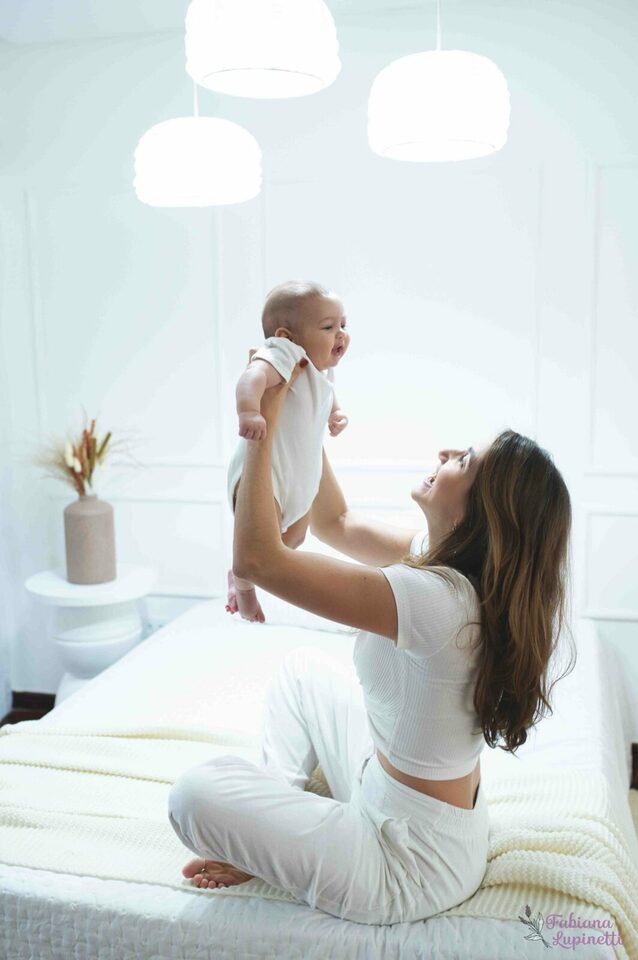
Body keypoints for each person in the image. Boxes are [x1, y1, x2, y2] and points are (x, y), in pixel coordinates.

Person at [168, 363, 576, 925]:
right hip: (391, 796)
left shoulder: (441, 602)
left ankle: (268, 833)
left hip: (405, 865)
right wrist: (304, 401)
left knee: (193, 795)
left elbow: (258, 559)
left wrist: (267, 413)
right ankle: (271, 823)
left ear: (483, 514)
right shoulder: (450, 564)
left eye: (463, 461)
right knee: (303, 672)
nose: (444, 453)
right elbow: (336, 521)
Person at [225, 280, 350, 623]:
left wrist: (335, 413)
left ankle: (243, 574)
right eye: (328, 327)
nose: (340, 334)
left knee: (294, 538)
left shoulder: (320, 369)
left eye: (343, 324)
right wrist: (249, 412)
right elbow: (252, 376)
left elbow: (324, 392)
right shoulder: (284, 353)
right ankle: (243, 587)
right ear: (286, 336)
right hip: (264, 473)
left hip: (298, 475)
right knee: (259, 546)